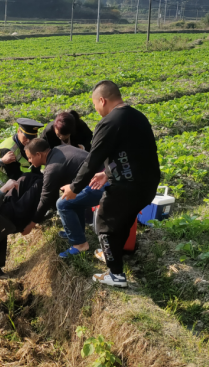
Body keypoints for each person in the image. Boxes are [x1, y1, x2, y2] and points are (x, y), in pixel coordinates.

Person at [61, 80, 161, 288]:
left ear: (102, 100)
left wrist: (74, 187)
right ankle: (112, 256)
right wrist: (107, 173)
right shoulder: (137, 116)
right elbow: (134, 154)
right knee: (123, 221)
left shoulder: (109, 123)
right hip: (147, 185)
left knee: (105, 223)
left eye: (95, 104)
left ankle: (115, 275)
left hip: (127, 187)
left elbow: (93, 159)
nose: (96, 109)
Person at [21, 139, 104, 260]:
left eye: (29, 157)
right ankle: (76, 232)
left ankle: (80, 244)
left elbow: (46, 199)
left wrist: (32, 223)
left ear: (38, 154)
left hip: (100, 185)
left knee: (62, 204)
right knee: (73, 200)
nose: (29, 161)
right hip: (102, 177)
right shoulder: (59, 149)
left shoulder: (52, 168)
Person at [0, 118, 44, 191]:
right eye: (26, 137)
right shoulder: (7, 149)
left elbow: (35, 168)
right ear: (18, 131)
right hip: (0, 188)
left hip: (20, 181)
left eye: (32, 138)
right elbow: (14, 176)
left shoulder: (33, 144)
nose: (28, 141)